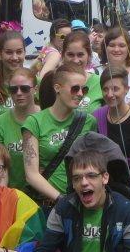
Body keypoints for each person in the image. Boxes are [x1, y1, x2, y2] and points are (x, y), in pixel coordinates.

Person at [23, 64, 96, 205]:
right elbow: (31, 174)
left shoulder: (89, 121)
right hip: (46, 203)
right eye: (75, 88)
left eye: (84, 89)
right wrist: (61, 200)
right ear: (57, 88)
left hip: (80, 201)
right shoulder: (34, 122)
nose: (80, 94)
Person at [93, 66, 130, 181]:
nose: (109, 94)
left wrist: (126, 181)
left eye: (115, 89)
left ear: (127, 89)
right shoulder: (97, 118)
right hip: (105, 187)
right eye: (105, 89)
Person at [0, 66, 39, 191]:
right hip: (13, 195)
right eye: (13, 89)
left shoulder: (46, 116)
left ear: (35, 89)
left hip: (46, 195)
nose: (19, 93)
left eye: (25, 88)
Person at [0, 30, 28, 122]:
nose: (14, 57)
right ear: (0, 54)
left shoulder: (36, 82)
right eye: (9, 52)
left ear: (25, 53)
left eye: (19, 52)